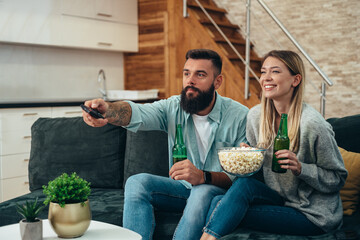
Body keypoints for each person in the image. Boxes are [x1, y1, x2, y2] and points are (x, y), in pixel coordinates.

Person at [82, 49, 249, 240]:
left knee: (202, 191)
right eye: (186, 73)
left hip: (216, 192)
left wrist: (203, 176)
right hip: (182, 189)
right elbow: (137, 113)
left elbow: (241, 177)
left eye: (200, 75)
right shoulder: (173, 107)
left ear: (217, 81)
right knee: (137, 182)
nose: (190, 81)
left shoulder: (240, 116)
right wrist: (109, 110)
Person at [200, 50, 348, 240]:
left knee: (220, 207)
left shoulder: (313, 125)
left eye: (275, 72)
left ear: (295, 80)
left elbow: (338, 178)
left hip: (313, 214)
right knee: (231, 194)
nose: (266, 78)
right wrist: (249, 160)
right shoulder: (255, 117)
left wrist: (301, 168)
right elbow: (257, 178)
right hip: (279, 200)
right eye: (263, 72)